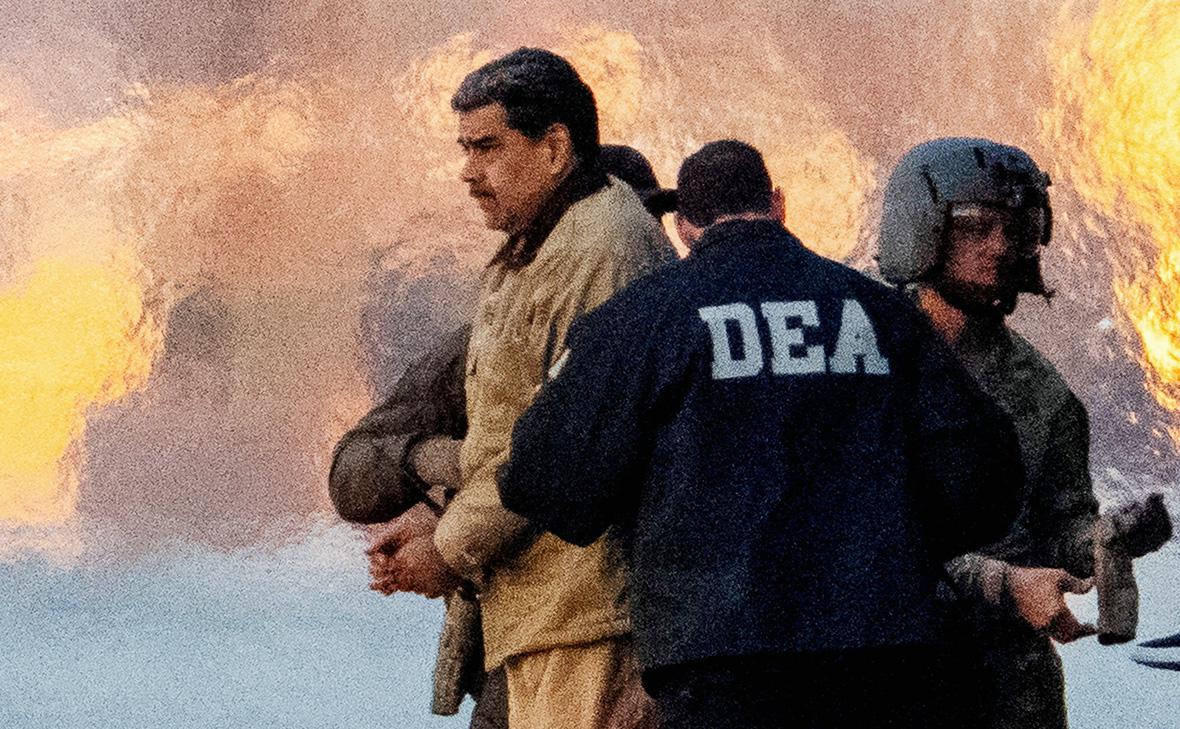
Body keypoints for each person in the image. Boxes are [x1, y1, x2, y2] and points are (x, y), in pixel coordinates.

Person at [497, 140, 1023, 729]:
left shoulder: (639, 320)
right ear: (777, 205)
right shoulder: (883, 314)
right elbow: (987, 480)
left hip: (718, 663)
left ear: (684, 227)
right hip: (882, 654)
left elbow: (542, 481)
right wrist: (887, 538)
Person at [328, 144, 675, 728]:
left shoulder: (677, 336)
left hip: (621, 636)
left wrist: (449, 539)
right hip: (522, 647)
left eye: (647, 225)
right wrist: (454, 472)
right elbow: (352, 474)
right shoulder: (490, 340)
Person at [877, 137, 1102, 729]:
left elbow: (1061, 522)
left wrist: (1102, 541)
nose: (1000, 247)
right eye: (976, 228)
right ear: (920, 230)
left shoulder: (1042, 392)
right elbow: (855, 537)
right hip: (886, 675)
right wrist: (999, 584)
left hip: (1008, 686)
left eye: (1017, 229)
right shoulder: (862, 361)